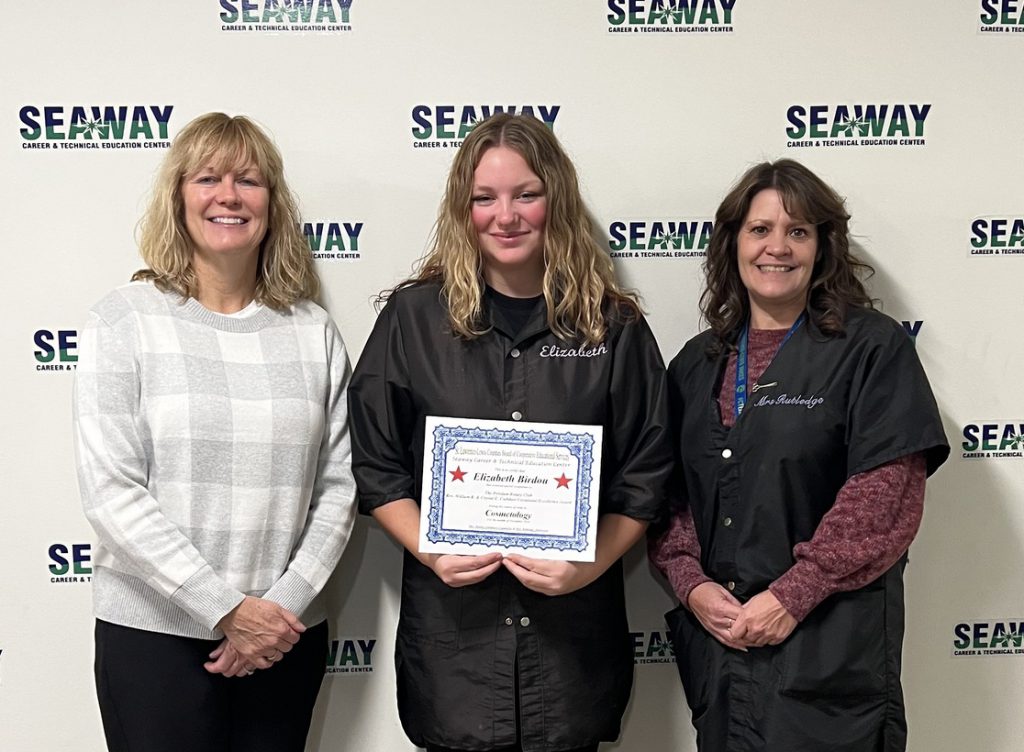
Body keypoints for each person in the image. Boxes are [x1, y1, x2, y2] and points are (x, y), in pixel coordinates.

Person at [348, 113, 672, 752]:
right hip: (455, 660)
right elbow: (376, 464)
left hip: (570, 658)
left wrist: (590, 565)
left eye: (526, 194)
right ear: (462, 209)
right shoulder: (413, 320)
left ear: (555, 198)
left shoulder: (613, 327)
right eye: (485, 198)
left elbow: (647, 472)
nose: (507, 215)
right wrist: (431, 549)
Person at [73, 112, 356, 752]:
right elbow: (111, 491)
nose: (228, 195)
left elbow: (339, 487)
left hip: (285, 638)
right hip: (154, 640)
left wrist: (277, 613)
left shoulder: (311, 330)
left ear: (272, 204)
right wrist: (225, 610)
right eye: (207, 178)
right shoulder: (124, 319)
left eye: (249, 181)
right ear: (179, 198)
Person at [648, 159, 949, 751]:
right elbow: (667, 495)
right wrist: (691, 585)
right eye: (760, 230)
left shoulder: (871, 348)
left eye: (798, 232)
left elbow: (886, 491)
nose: (777, 248)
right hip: (726, 650)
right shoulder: (695, 363)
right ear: (733, 242)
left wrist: (794, 593)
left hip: (830, 650)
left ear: (822, 247)